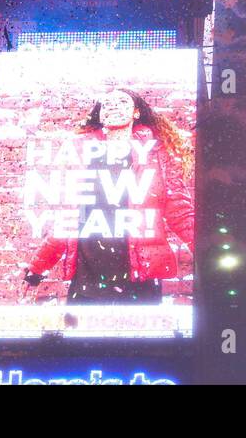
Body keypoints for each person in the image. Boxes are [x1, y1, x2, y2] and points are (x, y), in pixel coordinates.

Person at [24, 89, 194, 303]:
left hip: (139, 279)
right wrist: (37, 269)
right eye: (107, 104)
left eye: (122, 102)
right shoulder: (80, 154)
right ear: (100, 114)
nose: (113, 106)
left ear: (136, 113)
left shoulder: (155, 154)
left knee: (142, 336)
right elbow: (67, 220)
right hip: (88, 279)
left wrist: (207, 252)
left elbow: (179, 209)